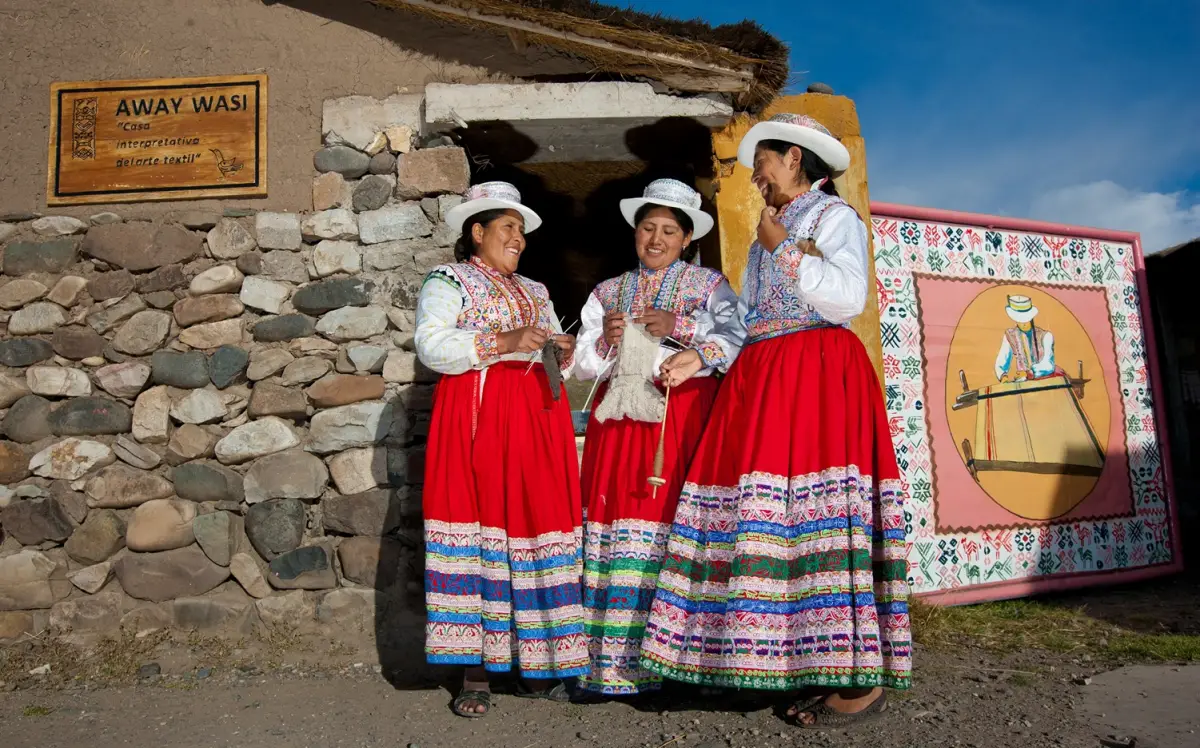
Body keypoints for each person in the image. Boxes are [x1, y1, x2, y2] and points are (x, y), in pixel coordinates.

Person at [639, 114, 913, 729]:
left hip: (816, 374)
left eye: (761, 161)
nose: (755, 175)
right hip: (764, 379)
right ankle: (783, 660)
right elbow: (750, 318)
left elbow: (847, 299)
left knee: (818, 517)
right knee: (770, 519)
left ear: (793, 158)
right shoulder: (772, 228)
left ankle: (856, 680)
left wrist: (783, 248)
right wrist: (696, 346)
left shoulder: (833, 220)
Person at [415, 181, 586, 718]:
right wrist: (504, 342)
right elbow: (432, 343)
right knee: (483, 525)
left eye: (521, 230)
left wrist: (566, 348)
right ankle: (474, 671)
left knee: (534, 526)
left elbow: (564, 356)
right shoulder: (450, 280)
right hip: (479, 417)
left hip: (536, 420)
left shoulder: (536, 290)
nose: (518, 238)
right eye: (508, 227)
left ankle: (537, 667)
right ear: (477, 231)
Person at [574, 179, 744, 697]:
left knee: (675, 522)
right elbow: (581, 365)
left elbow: (736, 337)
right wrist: (605, 338)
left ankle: (680, 664)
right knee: (616, 521)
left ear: (687, 238)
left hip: (682, 418)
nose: (656, 238)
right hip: (617, 426)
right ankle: (612, 667)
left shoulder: (709, 287)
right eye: (648, 227)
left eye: (669, 230)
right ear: (634, 231)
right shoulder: (607, 293)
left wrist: (682, 329)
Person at [995, 294, 1058, 381]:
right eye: (1020, 319)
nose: (1023, 323)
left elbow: (1048, 365)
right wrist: (1003, 376)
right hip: (1023, 383)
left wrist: (1030, 373)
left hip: (1045, 381)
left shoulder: (1046, 336)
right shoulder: (1010, 335)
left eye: (1026, 319)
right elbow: (1001, 362)